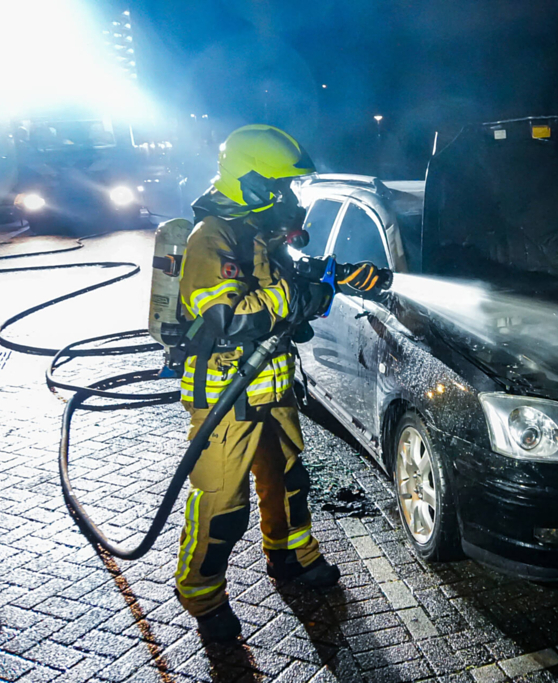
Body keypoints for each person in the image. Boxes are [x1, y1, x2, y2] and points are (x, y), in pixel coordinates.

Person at [174, 124, 379, 642]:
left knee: (289, 481)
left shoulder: (256, 228)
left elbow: (287, 275)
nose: (288, 196)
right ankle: (203, 596)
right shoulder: (211, 237)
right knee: (222, 505)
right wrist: (299, 300)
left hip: (272, 385)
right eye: (280, 185)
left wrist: (337, 274)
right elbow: (225, 316)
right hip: (226, 396)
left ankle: (291, 557)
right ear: (251, 181)